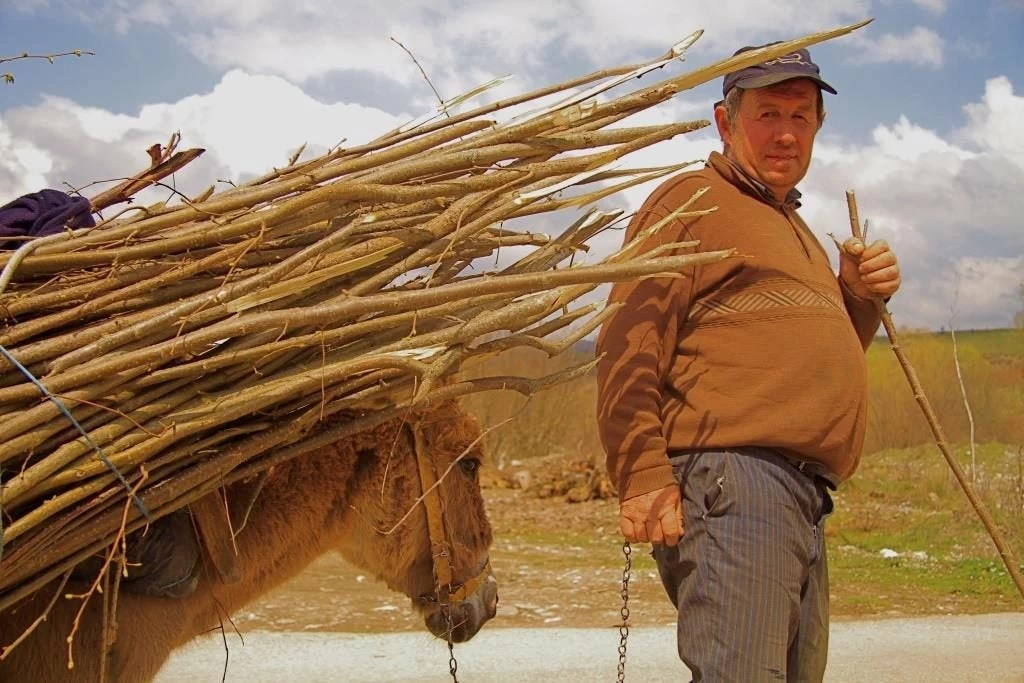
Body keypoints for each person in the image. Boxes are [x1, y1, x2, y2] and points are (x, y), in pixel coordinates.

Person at [596, 43, 902, 682]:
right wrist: (641, 472)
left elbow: (820, 359)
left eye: (801, 115)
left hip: (801, 494)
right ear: (724, 122)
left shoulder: (799, 231)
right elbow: (628, 340)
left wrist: (858, 297)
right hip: (734, 481)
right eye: (767, 114)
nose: (786, 133)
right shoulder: (690, 200)